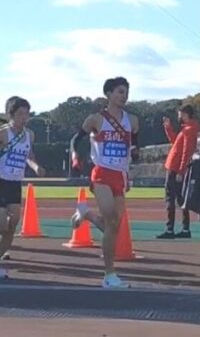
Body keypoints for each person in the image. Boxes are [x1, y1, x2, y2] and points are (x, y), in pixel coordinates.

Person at [71, 77, 140, 289]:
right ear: (108, 94)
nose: (124, 96)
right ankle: (109, 275)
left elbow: (134, 145)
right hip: (101, 172)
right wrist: (75, 156)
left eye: (126, 92)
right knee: (110, 220)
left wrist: (135, 154)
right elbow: (76, 139)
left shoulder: (133, 121)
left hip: (120, 174)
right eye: (120, 92)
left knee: (114, 225)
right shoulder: (96, 119)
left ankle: (87, 214)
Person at [0, 97, 45, 279]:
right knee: (1, 225)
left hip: (15, 184)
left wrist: (35, 166)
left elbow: (29, 155)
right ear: (11, 115)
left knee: (11, 227)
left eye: (27, 114)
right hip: (0, 182)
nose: (24, 118)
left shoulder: (29, 135)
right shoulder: (2, 133)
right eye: (20, 114)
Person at [157, 105, 200, 239]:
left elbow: (185, 152)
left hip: (175, 167)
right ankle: (185, 228)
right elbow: (175, 142)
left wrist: (181, 171)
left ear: (185, 114)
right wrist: (168, 128)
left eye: (180, 114)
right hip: (177, 167)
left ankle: (170, 228)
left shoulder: (188, 130)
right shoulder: (189, 129)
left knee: (170, 197)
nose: (179, 117)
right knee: (181, 198)